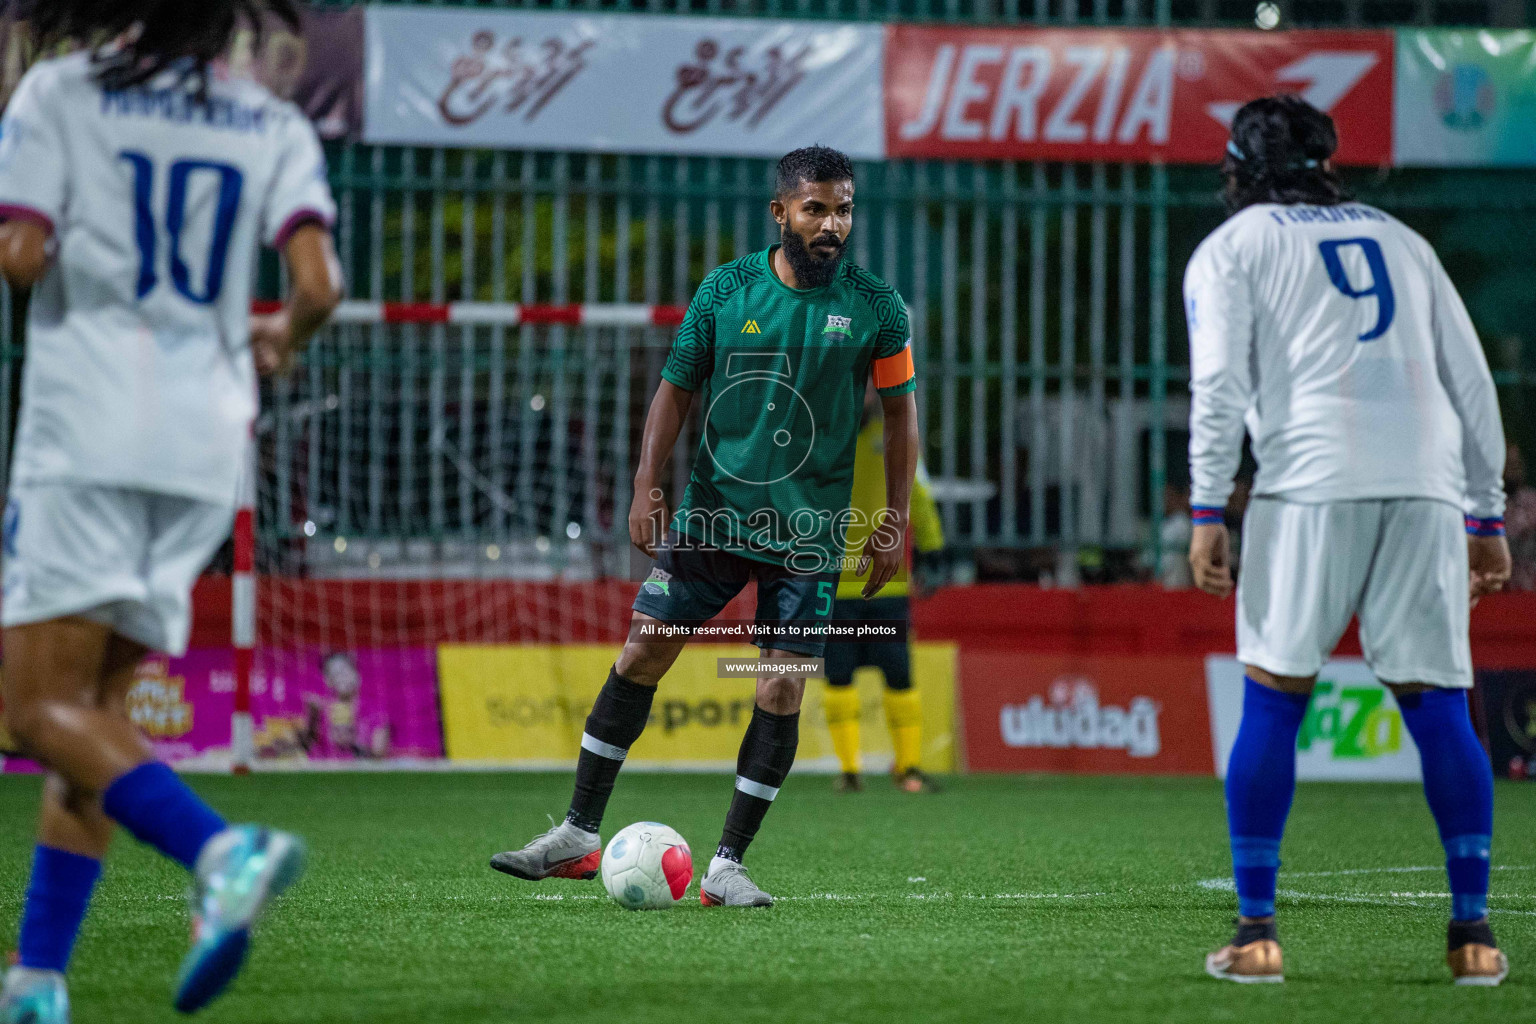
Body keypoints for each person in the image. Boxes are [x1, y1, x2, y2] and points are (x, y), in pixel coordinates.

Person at [0, 2, 342, 1019]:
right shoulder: (270, 121)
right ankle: (36, 982)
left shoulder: (62, 93)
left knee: (27, 710)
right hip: (205, 443)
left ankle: (220, 851)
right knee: (93, 719)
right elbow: (318, 283)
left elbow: (21, 253)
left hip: (89, 428)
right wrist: (279, 337)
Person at [489, 145, 919, 907]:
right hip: (712, 517)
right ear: (780, 212)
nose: (832, 224)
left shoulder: (878, 307)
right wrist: (645, 485)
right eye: (816, 208)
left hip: (809, 535)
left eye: (844, 209)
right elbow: (675, 389)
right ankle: (578, 835)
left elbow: (900, 414)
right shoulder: (725, 290)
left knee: (781, 686)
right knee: (642, 650)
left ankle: (727, 865)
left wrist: (894, 518)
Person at [1185, 95, 1510, 986]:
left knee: (1274, 698)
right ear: (1329, 163)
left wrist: (1208, 510)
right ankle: (1473, 936)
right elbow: (1472, 383)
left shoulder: (1233, 249)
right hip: (1425, 488)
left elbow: (1218, 390)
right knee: (1440, 702)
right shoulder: (1406, 242)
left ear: (1240, 169)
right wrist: (1485, 514)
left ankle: (1257, 935)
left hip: (1306, 486)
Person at [824, 384, 944, 793]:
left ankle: (908, 768)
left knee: (899, 674)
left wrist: (931, 552)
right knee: (838, 676)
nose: (859, 398)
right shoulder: (819, 440)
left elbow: (919, 497)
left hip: (887, 583)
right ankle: (849, 772)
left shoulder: (895, 437)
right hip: (834, 584)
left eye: (864, 391)